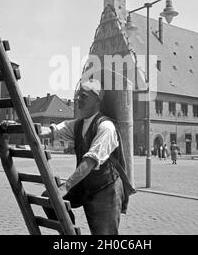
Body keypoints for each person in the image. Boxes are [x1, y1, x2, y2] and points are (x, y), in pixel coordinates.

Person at [40, 79, 131, 235]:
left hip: (105, 190)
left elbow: (90, 161)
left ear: (97, 99)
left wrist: (66, 187)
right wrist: (19, 126)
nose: (78, 100)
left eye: (83, 96)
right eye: (77, 96)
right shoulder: (78, 124)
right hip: (85, 185)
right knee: (50, 199)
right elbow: (48, 132)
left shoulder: (106, 127)